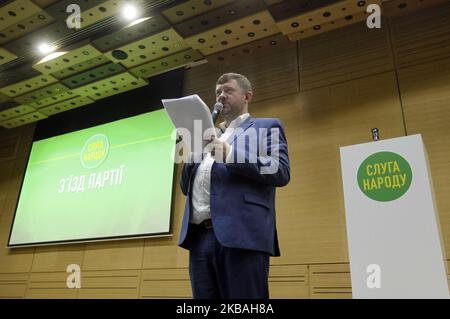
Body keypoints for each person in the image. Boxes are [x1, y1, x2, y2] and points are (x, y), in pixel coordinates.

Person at [178, 73, 290, 299]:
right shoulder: (206, 135)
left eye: (228, 90)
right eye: (218, 92)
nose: (221, 96)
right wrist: (190, 157)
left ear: (247, 95)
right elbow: (185, 188)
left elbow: (279, 170)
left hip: (242, 235)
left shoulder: (267, 126)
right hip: (199, 238)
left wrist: (229, 154)